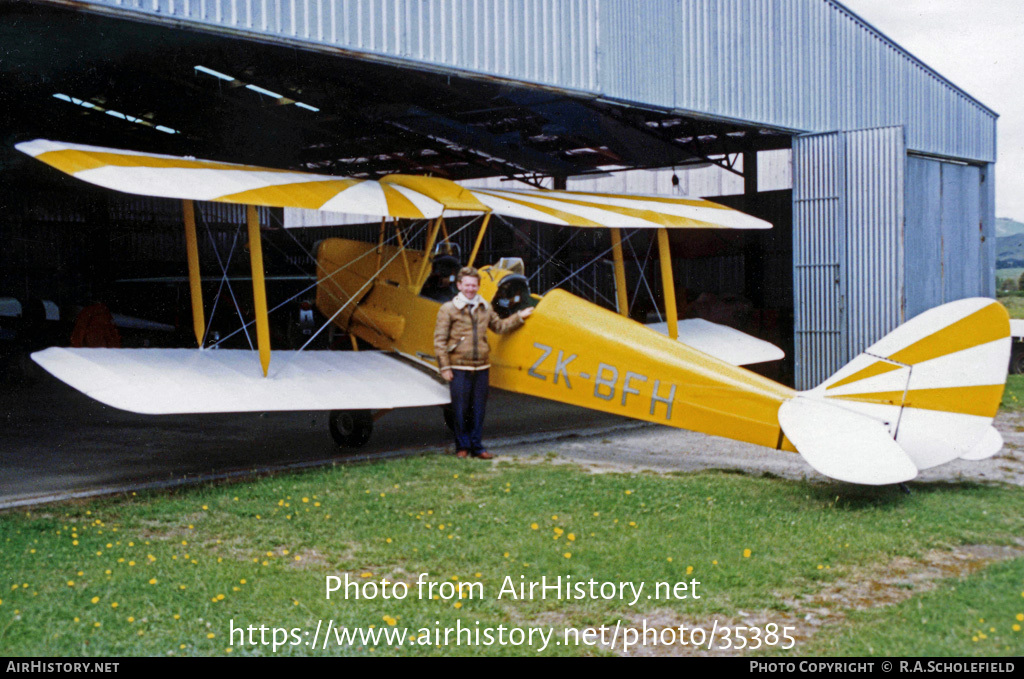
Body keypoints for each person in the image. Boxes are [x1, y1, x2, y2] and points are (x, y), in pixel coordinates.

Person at [434, 266, 534, 459]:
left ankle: (477, 447)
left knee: (478, 409)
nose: (471, 288)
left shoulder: (485, 307)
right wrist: (445, 367)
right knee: (460, 409)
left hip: (481, 366)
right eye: (467, 285)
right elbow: (439, 340)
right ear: (459, 285)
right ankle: (462, 447)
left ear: (479, 286)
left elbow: (499, 327)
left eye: (474, 285)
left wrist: (519, 317)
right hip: (459, 366)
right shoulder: (448, 309)